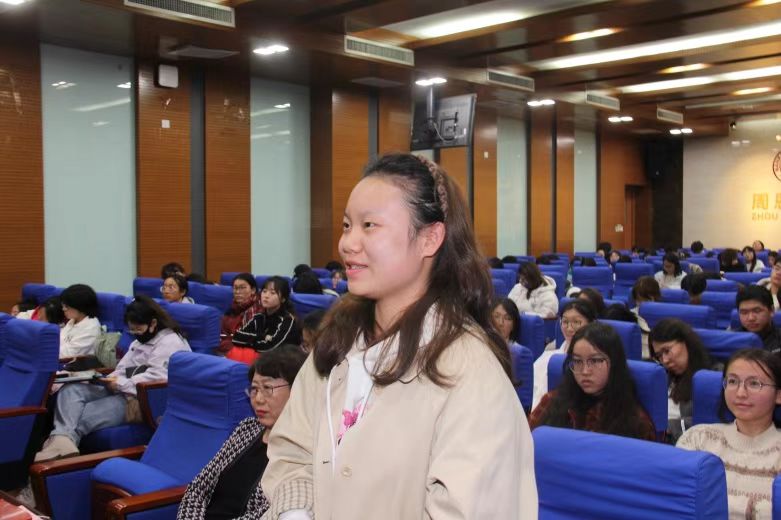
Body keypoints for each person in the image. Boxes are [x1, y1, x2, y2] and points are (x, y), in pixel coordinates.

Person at [262, 153, 536, 519]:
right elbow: (293, 451)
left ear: (429, 238)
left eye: (369, 225)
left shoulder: (472, 374)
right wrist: (294, 513)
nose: (347, 243)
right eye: (347, 225)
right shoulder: (337, 343)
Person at [35, 296, 191, 461]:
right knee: (70, 390)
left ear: (153, 323)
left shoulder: (170, 342)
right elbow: (122, 368)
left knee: (79, 414)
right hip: (123, 388)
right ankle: (62, 446)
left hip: (142, 399)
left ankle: (60, 452)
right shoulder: (140, 341)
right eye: (132, 331)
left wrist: (120, 383)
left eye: (138, 330)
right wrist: (105, 379)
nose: (135, 334)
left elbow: (157, 378)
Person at [177, 345, 307, 520]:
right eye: (254, 389)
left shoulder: (302, 451)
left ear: (297, 390)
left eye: (267, 388)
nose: (258, 399)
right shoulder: (247, 428)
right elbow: (199, 487)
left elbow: (268, 513)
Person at [677, 349, 781, 519]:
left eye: (754, 384)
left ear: (779, 395)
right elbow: (678, 500)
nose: (740, 393)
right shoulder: (697, 438)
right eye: (732, 381)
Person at [529, 322, 656, 441]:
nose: (585, 371)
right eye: (577, 361)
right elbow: (526, 444)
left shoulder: (635, 421)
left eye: (595, 361)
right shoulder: (552, 401)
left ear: (614, 363)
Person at [649, 319, 712, 442]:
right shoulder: (661, 376)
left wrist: (668, 427)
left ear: (686, 342)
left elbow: (707, 423)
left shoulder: (710, 377)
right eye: (659, 356)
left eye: (667, 351)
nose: (665, 360)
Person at [532, 300, 597, 410]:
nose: (569, 328)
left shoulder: (597, 361)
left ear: (591, 324)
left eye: (576, 322)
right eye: (565, 322)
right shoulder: (547, 357)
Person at [229, 276, 302, 364]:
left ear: (283, 299)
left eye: (272, 293)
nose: (266, 296)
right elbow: (236, 338)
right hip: (263, 362)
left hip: (284, 363)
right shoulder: (259, 317)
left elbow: (270, 348)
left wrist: (251, 342)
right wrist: (263, 337)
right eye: (264, 291)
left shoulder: (287, 320)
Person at [217, 273, 264, 355]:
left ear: (253, 290)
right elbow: (222, 335)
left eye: (242, 288)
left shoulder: (259, 309)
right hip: (229, 349)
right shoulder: (232, 309)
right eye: (235, 288)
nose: (238, 292)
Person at [59, 284, 102, 358]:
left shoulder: (91, 328)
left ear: (79, 306)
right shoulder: (73, 320)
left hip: (72, 363)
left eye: (66, 306)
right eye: (63, 306)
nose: (63, 309)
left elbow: (69, 354)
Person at [736, 286, 781, 354]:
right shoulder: (731, 340)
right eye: (744, 312)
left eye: (757, 311)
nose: (751, 318)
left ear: (771, 310)